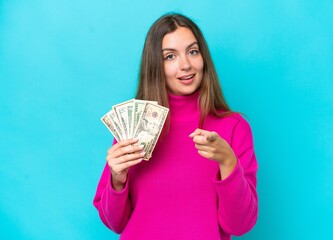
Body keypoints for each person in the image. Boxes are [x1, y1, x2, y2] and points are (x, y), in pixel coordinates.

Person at [93, 13, 258, 240]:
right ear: (155, 65)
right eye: (170, 56)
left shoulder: (233, 127)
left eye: (193, 51)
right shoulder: (134, 126)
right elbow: (115, 223)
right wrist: (117, 180)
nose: (185, 65)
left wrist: (228, 162)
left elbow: (239, 225)